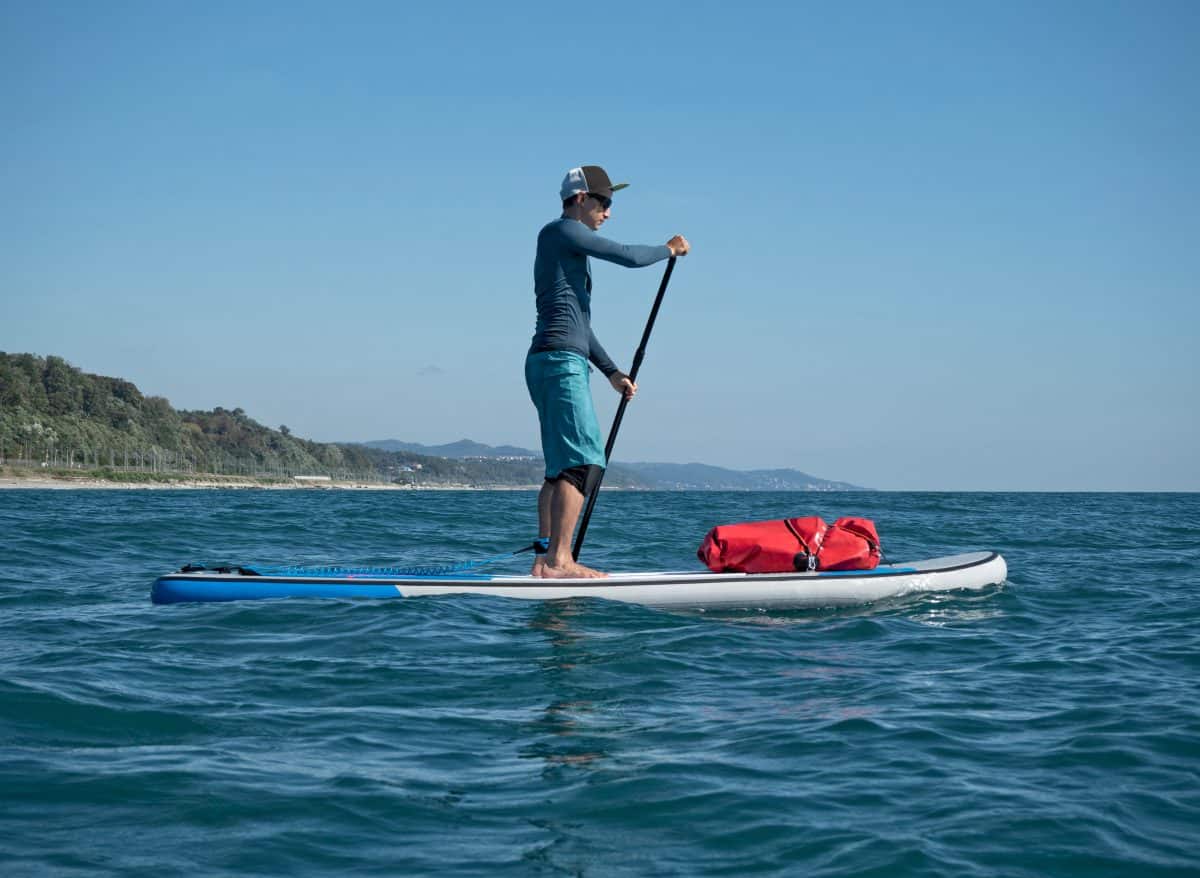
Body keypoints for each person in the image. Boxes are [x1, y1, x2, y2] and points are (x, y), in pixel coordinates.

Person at [526, 165, 690, 578]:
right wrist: (667, 249)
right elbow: (628, 257)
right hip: (560, 363)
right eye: (604, 203)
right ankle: (561, 561)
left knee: (559, 467)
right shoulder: (561, 231)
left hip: (554, 359)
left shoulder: (566, 247)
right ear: (581, 200)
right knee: (583, 461)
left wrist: (612, 372)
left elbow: (580, 325)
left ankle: (545, 559)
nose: (608, 213)